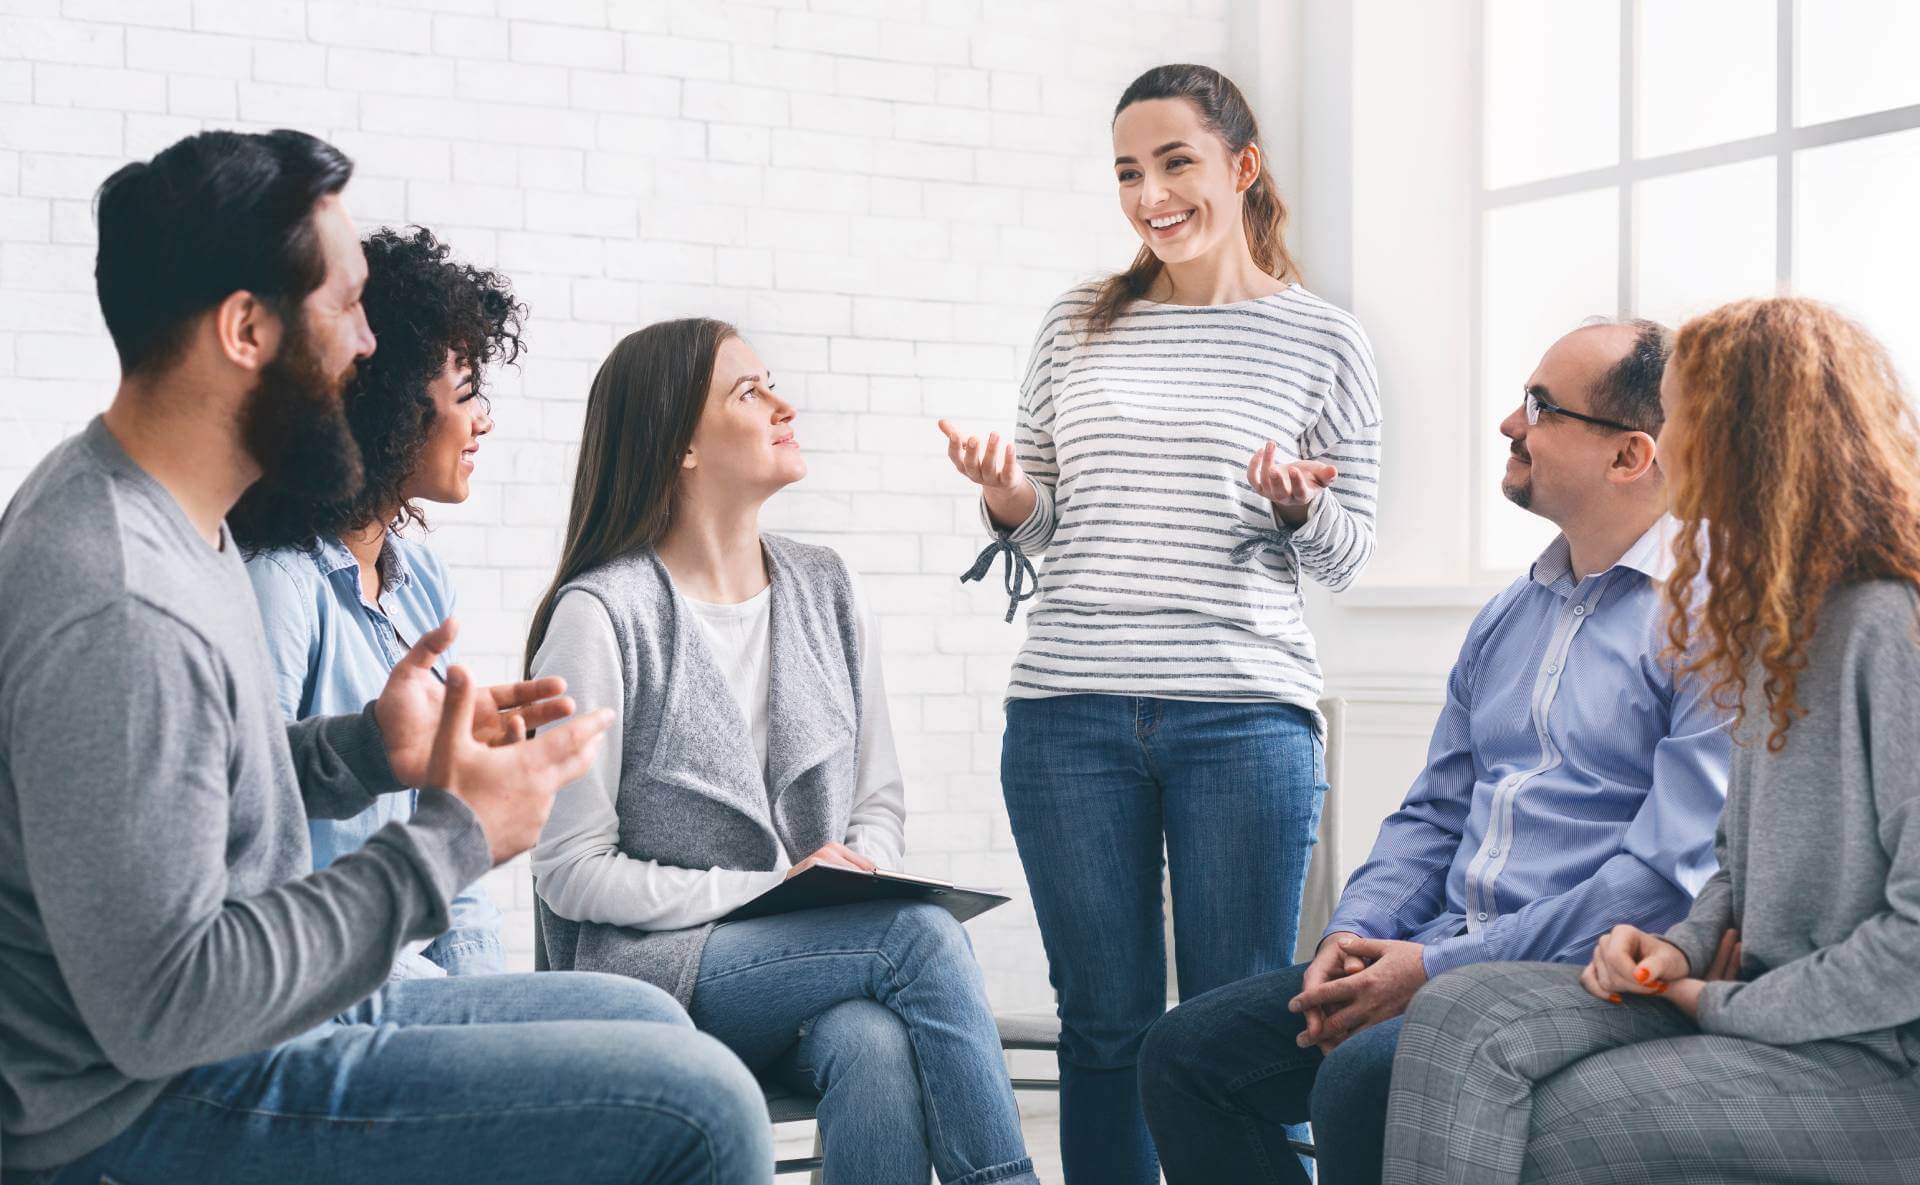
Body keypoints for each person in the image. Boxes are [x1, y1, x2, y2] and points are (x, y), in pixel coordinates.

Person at [0, 129, 770, 1184]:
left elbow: (177, 787)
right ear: (246, 331)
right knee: (702, 1106)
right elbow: (164, 1003)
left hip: (229, 1041)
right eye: (347, 306)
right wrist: (453, 841)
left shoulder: (176, 517)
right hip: (135, 1109)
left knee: (646, 1018)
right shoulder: (120, 595)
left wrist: (365, 749)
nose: (369, 347)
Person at [1136, 319, 1734, 1185]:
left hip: (1582, 973)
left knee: (1363, 1079)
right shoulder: (1509, 616)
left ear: (1629, 455)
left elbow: (1662, 882)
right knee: (1185, 1053)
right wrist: (1356, 932)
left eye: (1541, 407)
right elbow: (1433, 813)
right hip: (1440, 947)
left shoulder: (1710, 622)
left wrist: (1431, 970)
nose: (1510, 423)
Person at [936, 62, 1381, 1184]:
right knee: (1103, 1023)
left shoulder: (1324, 341)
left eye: (1176, 163)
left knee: (1234, 1031)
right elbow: (1044, 522)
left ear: (1242, 166)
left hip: (1243, 717)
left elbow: (1347, 556)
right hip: (1068, 714)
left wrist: (1299, 506)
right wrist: (1007, 494)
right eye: (1129, 172)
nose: (1151, 195)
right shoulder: (1076, 324)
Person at [1382, 297, 1920, 1185]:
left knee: (1545, 1129)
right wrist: (1681, 944)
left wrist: (1717, 1000)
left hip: (1877, 1059)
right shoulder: (1772, 620)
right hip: (1762, 1006)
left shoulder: (1889, 624)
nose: (1661, 450)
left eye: (1681, 421)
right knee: (1456, 1012)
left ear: (1753, 441)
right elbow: (1733, 865)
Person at [528, 319, 1039, 1185]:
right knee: (916, 934)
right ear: (682, 445)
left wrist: (852, 873)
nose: (784, 404)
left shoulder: (826, 586)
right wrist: (775, 890)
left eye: (772, 383)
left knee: (875, 1046)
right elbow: (569, 871)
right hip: (657, 978)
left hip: (804, 968)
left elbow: (877, 802)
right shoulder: (601, 615)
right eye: (750, 391)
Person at [231, 225, 519, 980]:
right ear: (388, 409)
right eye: (465, 395)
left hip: (418, 969)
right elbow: (246, 816)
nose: (483, 420)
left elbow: (446, 838)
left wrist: (481, 985)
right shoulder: (280, 584)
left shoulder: (423, 581)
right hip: (321, 976)